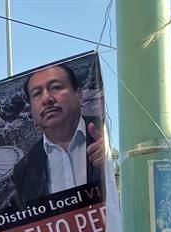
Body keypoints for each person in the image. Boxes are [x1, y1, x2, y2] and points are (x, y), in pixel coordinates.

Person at [11, 63, 105, 208]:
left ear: (78, 94)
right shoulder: (24, 170)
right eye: (37, 93)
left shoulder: (107, 135)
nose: (47, 99)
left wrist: (115, 160)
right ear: (31, 110)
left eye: (55, 87)